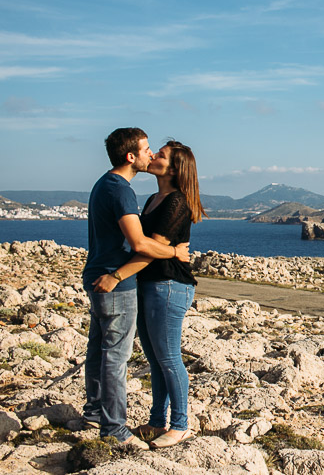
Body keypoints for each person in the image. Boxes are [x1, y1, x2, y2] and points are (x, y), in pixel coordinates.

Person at [93, 140, 206, 449]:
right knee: (156, 360)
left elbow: (148, 251)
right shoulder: (155, 198)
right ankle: (157, 421)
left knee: (169, 358)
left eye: (161, 155)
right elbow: (147, 246)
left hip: (168, 286)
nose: (153, 156)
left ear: (173, 169)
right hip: (150, 286)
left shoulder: (176, 202)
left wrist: (115, 277)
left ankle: (181, 424)